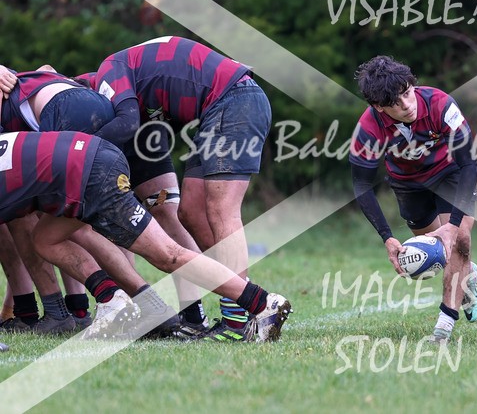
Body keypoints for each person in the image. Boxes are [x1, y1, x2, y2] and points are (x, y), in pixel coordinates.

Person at [0, 129, 291, 341]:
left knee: (168, 255)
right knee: (45, 238)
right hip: (90, 158)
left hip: (90, 172)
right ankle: (111, 299)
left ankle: (263, 303)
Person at [0, 64, 210, 336]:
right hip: (122, 114)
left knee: (82, 225)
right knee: (92, 223)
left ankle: (144, 306)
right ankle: (142, 308)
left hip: (93, 115)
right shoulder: (42, 80)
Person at [88, 36, 271, 341]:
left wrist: (82, 150)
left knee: (220, 209)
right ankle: (242, 301)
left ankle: (239, 317)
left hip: (233, 98)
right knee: (190, 212)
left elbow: (127, 123)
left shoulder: (109, 70)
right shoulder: (125, 90)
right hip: (219, 107)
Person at [349, 55, 477, 343]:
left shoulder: (441, 105)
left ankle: (445, 325)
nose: (406, 105)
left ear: (413, 85)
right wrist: (387, 237)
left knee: (458, 238)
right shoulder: (369, 127)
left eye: (407, 94)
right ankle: (467, 275)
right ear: (378, 107)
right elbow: (361, 184)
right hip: (408, 184)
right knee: (434, 256)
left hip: (451, 172)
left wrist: (453, 224)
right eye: (395, 103)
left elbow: (470, 164)